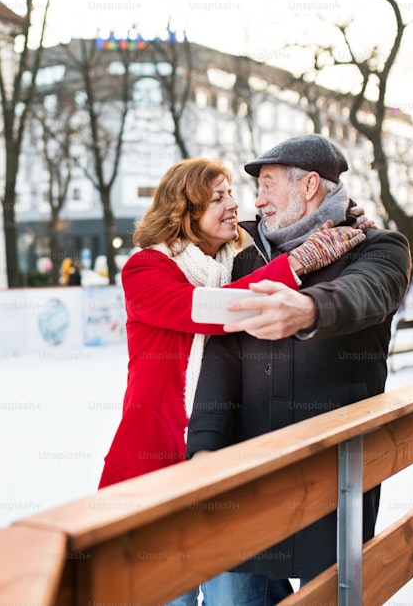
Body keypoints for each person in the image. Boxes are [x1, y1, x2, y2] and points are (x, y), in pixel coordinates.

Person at [96, 157, 366, 605]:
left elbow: (287, 218)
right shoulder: (145, 269)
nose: (233, 205)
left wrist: (341, 216)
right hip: (158, 457)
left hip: (223, 458)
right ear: (185, 211)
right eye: (218, 197)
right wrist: (299, 261)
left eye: (231, 195)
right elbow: (211, 310)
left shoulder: (238, 261)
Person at [185, 134, 411, 605]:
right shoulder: (245, 257)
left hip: (333, 473)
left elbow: (366, 293)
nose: (258, 199)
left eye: (267, 185)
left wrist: (308, 308)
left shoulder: (378, 247)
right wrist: (205, 445)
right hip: (247, 475)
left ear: (309, 185)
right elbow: (221, 355)